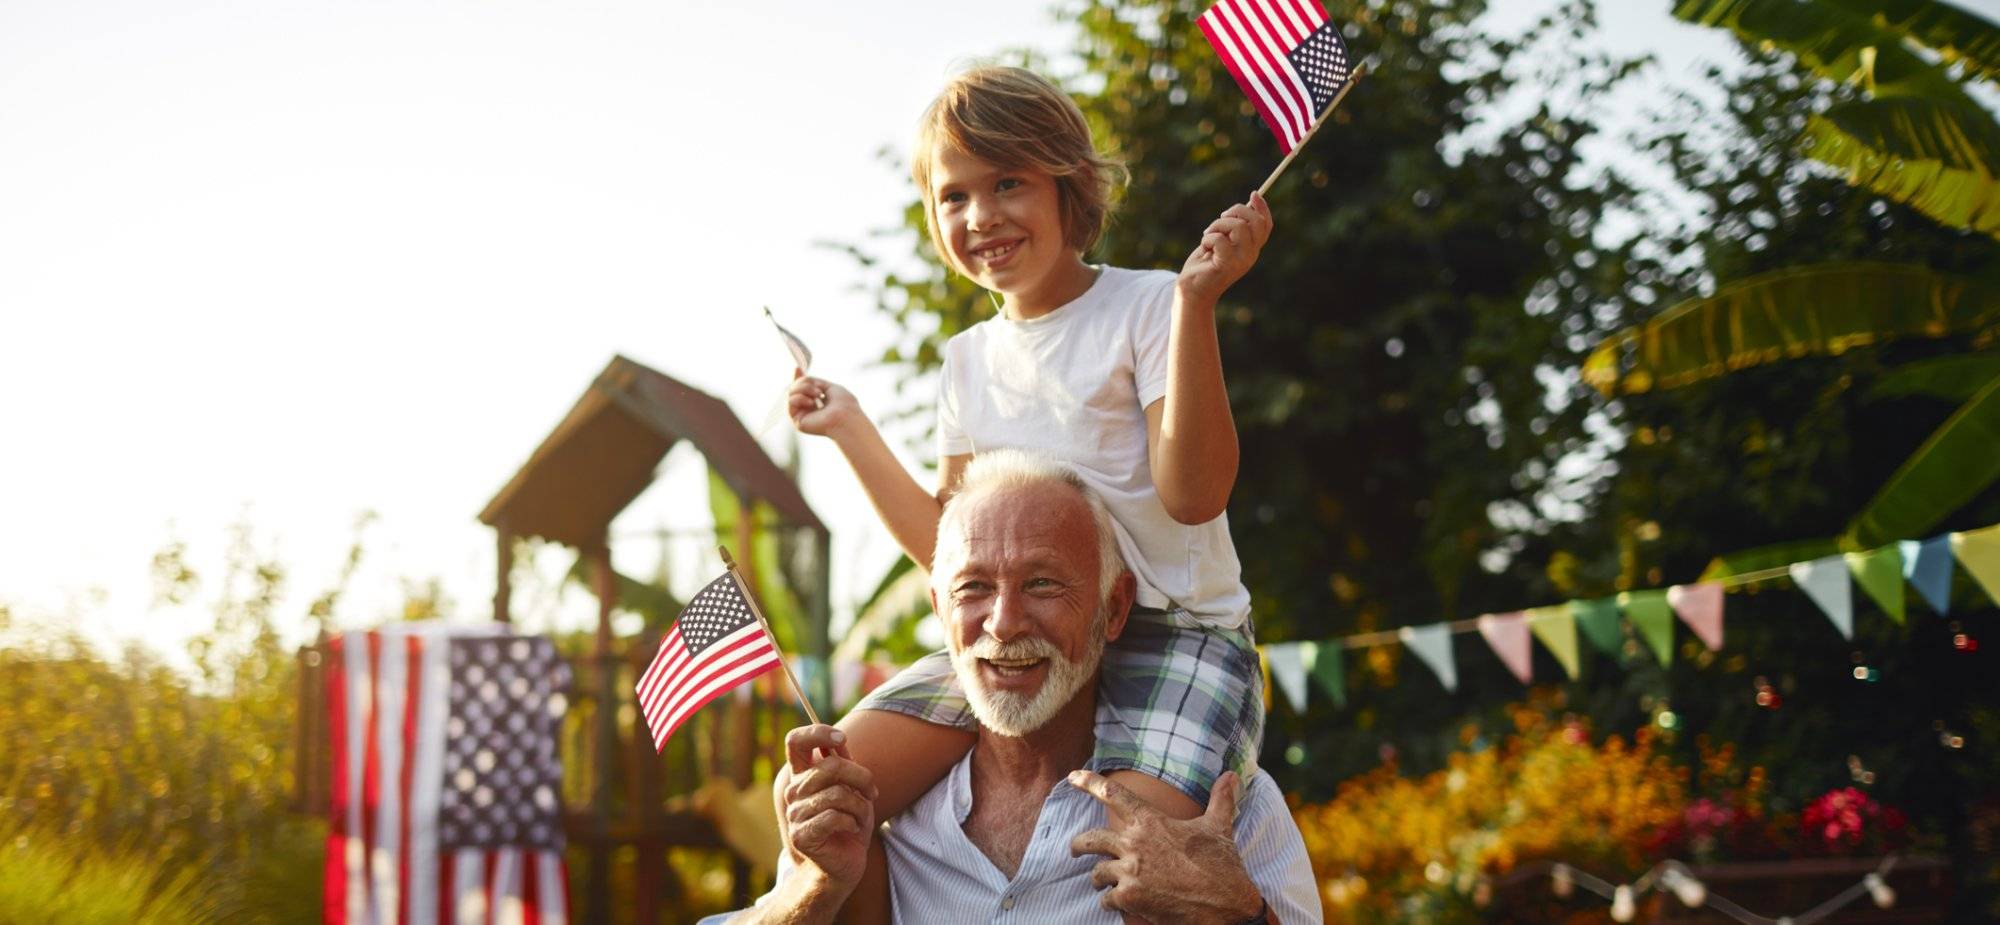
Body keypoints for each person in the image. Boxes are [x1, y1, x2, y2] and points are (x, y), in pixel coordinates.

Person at [787, 64, 1274, 911]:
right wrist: (852, 428)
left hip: (1178, 635)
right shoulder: (966, 359)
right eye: (955, 196)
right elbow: (947, 552)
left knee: (1126, 864)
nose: (982, 216)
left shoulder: (1148, 304)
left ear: (1068, 184)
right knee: (835, 786)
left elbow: (1194, 497)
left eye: (1008, 182)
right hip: (1020, 633)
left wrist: (1198, 305)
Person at [716, 451, 1319, 924]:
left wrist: (1239, 914)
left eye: (1043, 584)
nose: (1003, 624)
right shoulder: (866, 817)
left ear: (1113, 610)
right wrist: (816, 889)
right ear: (937, 610)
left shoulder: (1224, 810)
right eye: (972, 588)